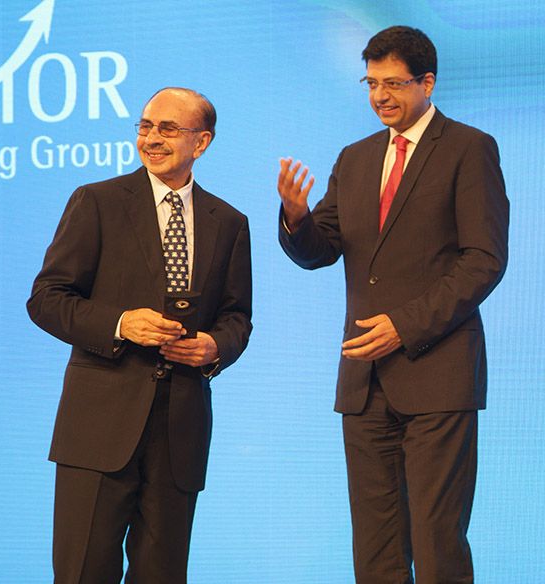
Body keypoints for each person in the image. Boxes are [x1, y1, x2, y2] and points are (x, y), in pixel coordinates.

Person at [276, 26, 508, 583]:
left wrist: (404, 327)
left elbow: (484, 260)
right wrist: (296, 217)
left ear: (427, 83)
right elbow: (321, 250)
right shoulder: (355, 159)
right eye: (371, 83)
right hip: (363, 380)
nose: (380, 95)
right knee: (375, 545)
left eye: (394, 83)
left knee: (435, 539)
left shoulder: (468, 149)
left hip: (437, 374)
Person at [27, 87, 253, 583]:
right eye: (145, 126)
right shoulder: (98, 202)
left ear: (203, 141)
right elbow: (46, 299)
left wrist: (216, 347)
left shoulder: (230, 222)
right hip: (99, 425)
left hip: (180, 428)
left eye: (168, 129)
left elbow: (238, 318)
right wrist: (119, 323)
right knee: (84, 570)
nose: (152, 138)